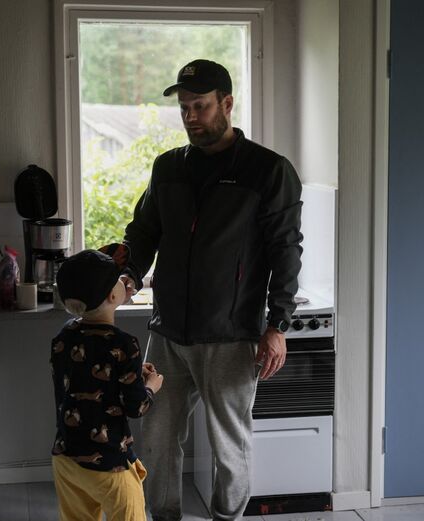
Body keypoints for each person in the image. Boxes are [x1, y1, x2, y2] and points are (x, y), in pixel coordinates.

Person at [122, 59, 303, 521]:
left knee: (228, 445)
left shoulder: (267, 170)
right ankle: (163, 516)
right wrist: (125, 278)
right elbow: (143, 233)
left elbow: (285, 250)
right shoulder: (168, 168)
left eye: (200, 106)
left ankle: (227, 516)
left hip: (231, 335)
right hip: (167, 336)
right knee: (158, 438)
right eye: (184, 107)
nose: (190, 117)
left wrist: (278, 323)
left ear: (226, 103)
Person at [50, 244, 164, 521]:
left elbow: (81, 377)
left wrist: (133, 372)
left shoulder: (64, 337)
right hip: (110, 461)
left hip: (66, 457)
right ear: (114, 295)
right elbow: (136, 407)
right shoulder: (125, 345)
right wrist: (150, 385)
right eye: (120, 279)